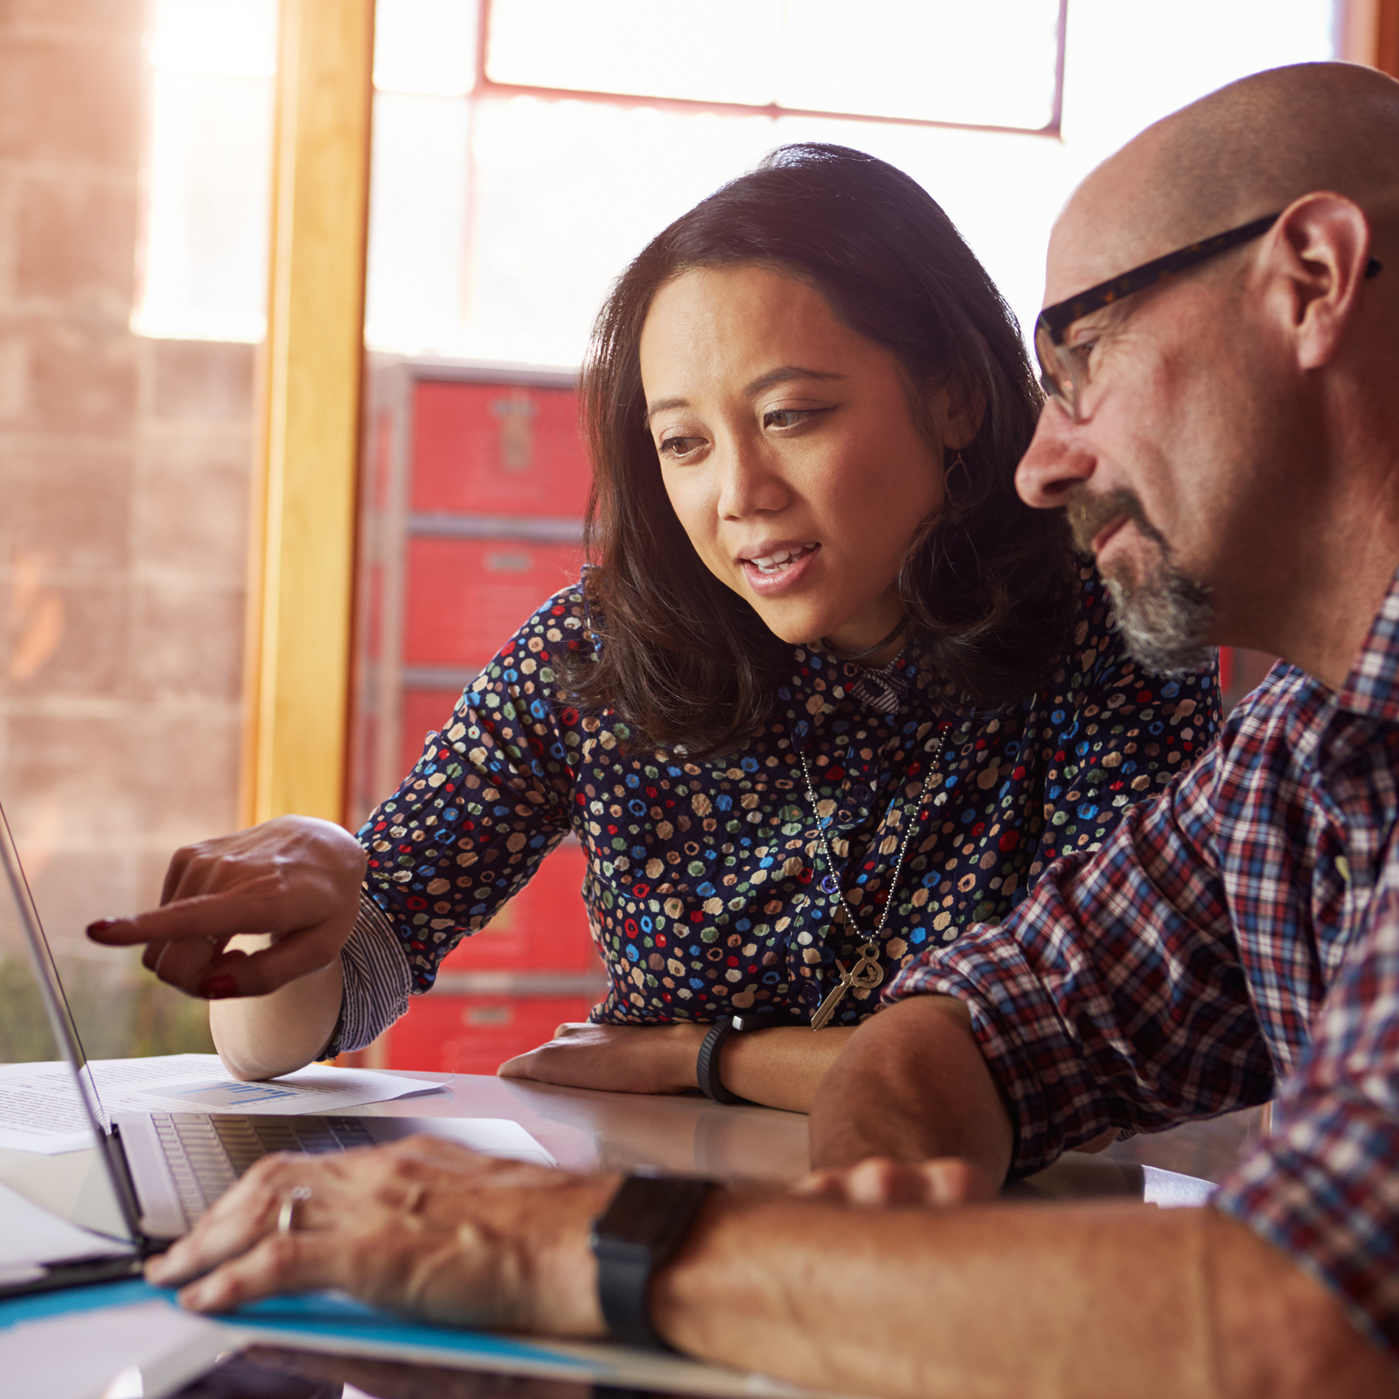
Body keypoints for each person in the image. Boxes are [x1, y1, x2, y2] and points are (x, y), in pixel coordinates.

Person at [142, 61, 1399, 1398]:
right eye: (680, 442)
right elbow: (982, 1026)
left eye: (1080, 360)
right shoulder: (1299, 749)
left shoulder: (1114, 639)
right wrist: (854, 1284)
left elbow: (1303, 1314)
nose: (1048, 458)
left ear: (1312, 278)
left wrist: (607, 1210)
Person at [89, 145, 1217, 1111]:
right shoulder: (599, 653)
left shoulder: (1105, 630)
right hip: (663, 1252)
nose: (740, 493)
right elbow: (283, 1038)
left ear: (954, 396)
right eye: (685, 443)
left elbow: (1099, 1044)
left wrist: (708, 1060)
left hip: (985, 1267)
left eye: (790, 416)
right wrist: (321, 885)